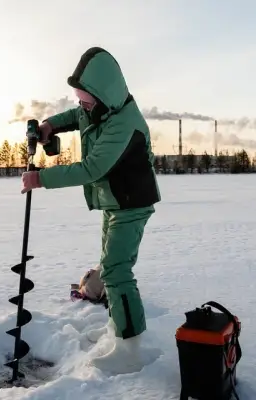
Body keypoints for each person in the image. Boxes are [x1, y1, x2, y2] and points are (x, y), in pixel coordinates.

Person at [20, 46, 161, 375]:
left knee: (116, 271)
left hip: (132, 203)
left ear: (104, 96)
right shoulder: (100, 108)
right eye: (80, 99)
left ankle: (131, 348)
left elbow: (93, 168)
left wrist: (41, 178)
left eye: (85, 100)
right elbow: (76, 117)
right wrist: (49, 126)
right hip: (114, 201)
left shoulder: (124, 124)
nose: (81, 106)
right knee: (110, 268)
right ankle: (117, 330)